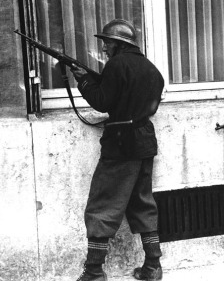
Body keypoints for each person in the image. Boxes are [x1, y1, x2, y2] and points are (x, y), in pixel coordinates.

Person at [70, 19, 165, 281]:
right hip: (145, 140)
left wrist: (83, 82)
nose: (103, 48)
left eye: (107, 43)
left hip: (121, 144)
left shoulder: (116, 65)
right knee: (143, 203)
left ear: (120, 44)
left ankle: (94, 272)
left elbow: (103, 102)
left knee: (103, 205)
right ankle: (153, 266)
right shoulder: (151, 69)